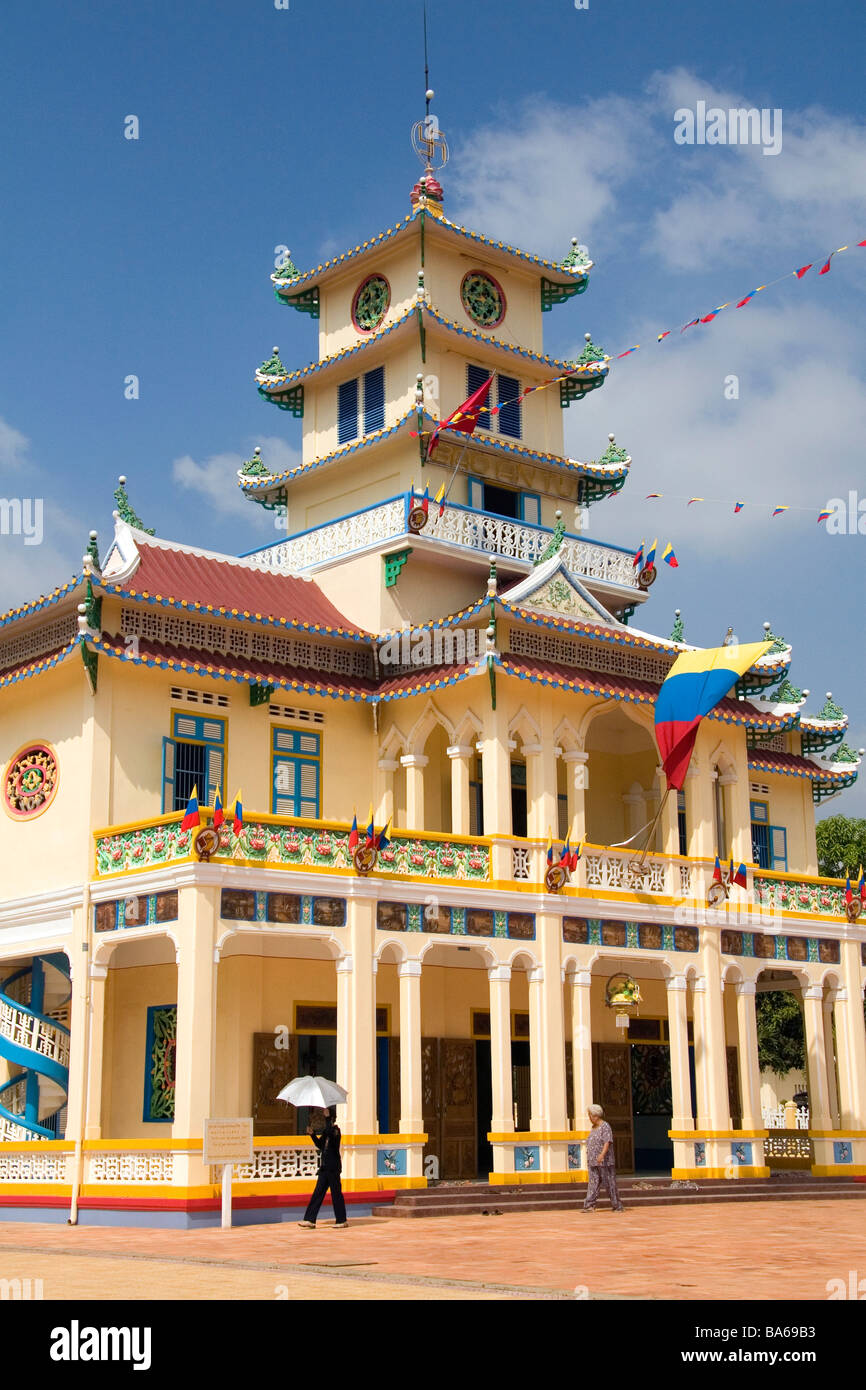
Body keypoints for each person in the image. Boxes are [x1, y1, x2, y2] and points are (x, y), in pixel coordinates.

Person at [297, 1106, 348, 1229]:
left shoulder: (336, 1131)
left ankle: (341, 1220)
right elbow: (320, 1145)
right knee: (317, 1193)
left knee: (336, 1194)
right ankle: (310, 1219)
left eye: (328, 1116)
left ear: (331, 1118)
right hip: (325, 1168)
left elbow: (331, 1133)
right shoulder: (326, 1132)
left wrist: (327, 1118)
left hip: (333, 1168)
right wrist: (313, 1135)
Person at [582, 1103, 624, 1212]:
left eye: (590, 1115)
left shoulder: (605, 1126)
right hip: (593, 1161)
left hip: (605, 1161)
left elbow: (607, 1142)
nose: (590, 1118)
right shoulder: (594, 1127)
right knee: (593, 1183)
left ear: (595, 1115)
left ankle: (617, 1205)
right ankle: (589, 1205)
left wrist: (602, 1154)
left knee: (609, 1182)